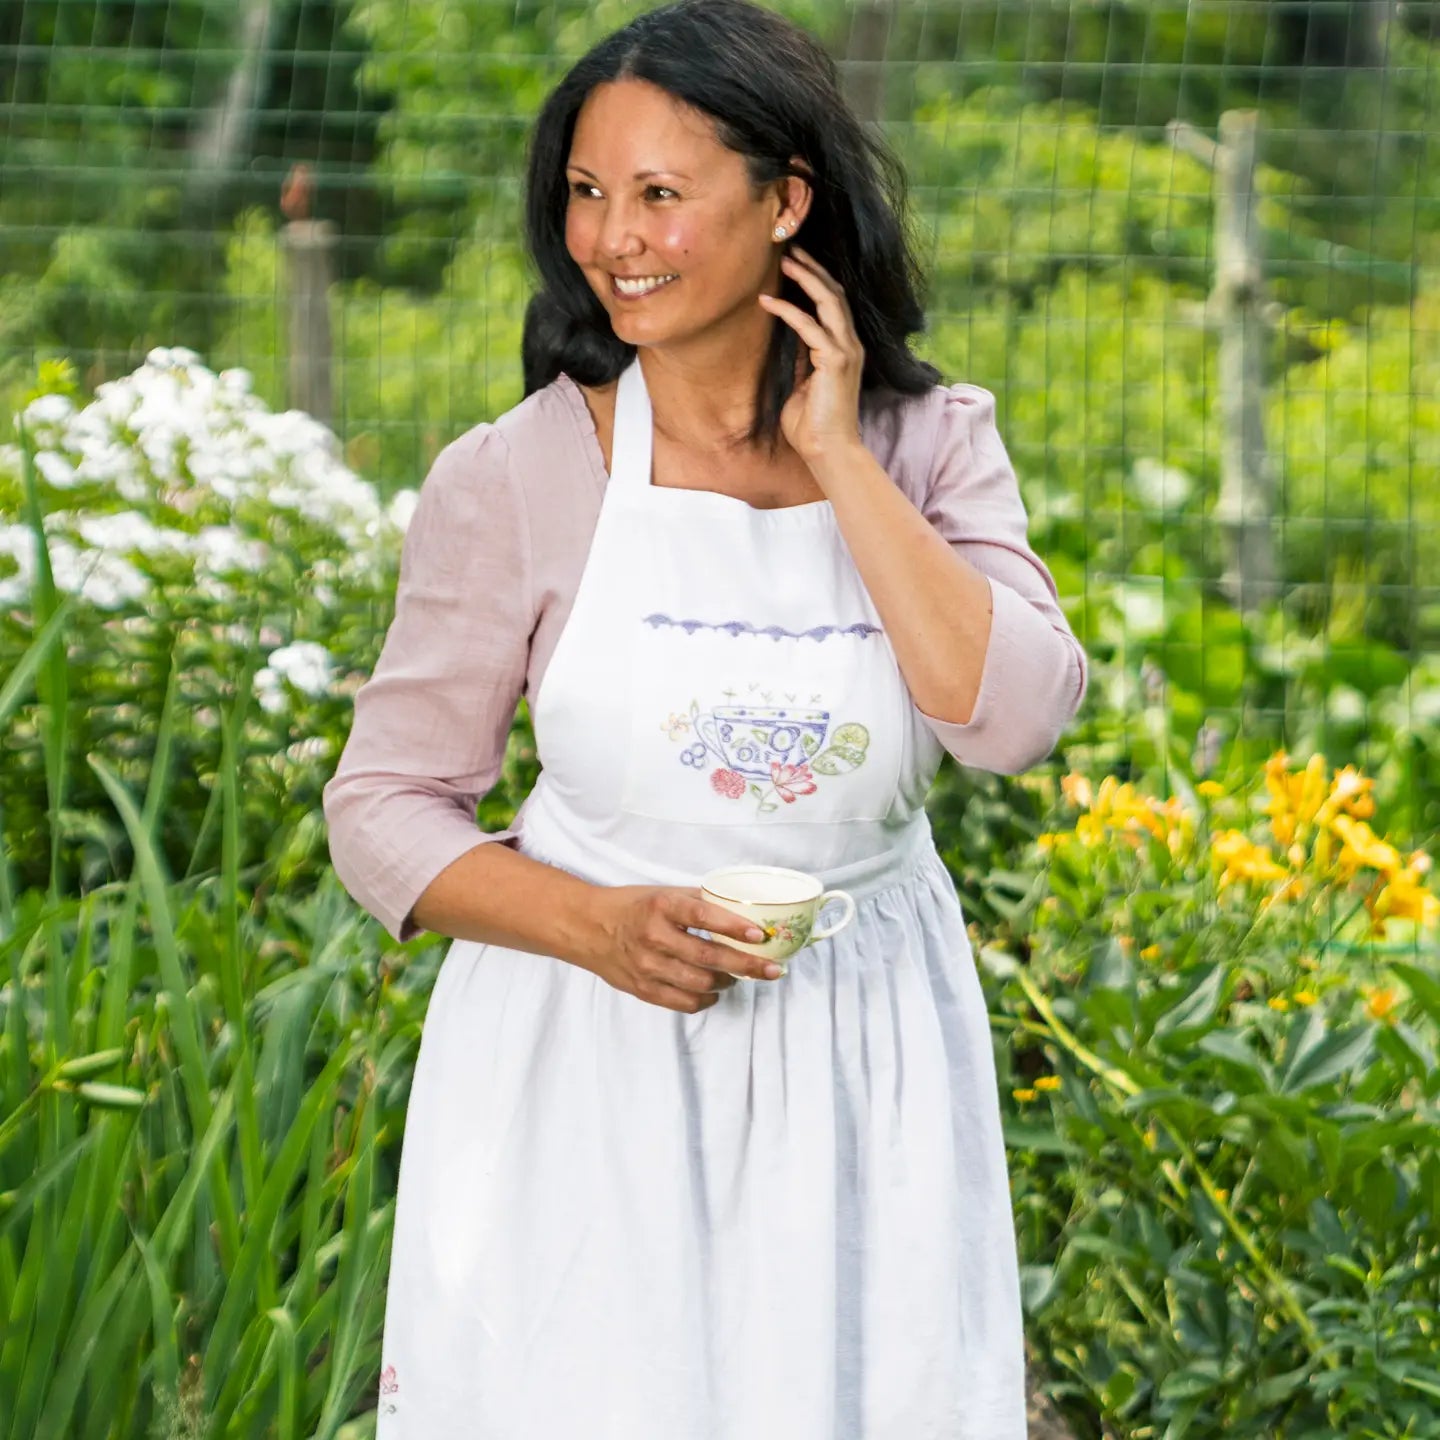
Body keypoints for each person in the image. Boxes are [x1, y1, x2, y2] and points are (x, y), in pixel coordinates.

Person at [323, 0, 1087, 1434]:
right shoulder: (519, 472)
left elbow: (1012, 718)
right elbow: (380, 812)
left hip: (872, 1059)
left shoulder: (930, 445)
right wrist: (598, 929)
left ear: (786, 199)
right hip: (584, 1060)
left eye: (661, 195)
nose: (613, 238)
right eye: (588, 195)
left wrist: (839, 464)